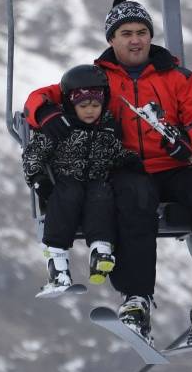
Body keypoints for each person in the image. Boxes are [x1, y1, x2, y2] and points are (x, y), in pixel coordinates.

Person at [25, 0, 192, 342]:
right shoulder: (96, 79)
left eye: (142, 32)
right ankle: (136, 296)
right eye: (126, 33)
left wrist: (187, 139)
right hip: (126, 165)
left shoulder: (175, 76)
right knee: (135, 198)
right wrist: (47, 115)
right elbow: (40, 96)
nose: (135, 40)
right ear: (111, 40)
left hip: (174, 164)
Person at [21, 64, 140, 296]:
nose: (89, 111)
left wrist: (128, 160)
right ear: (71, 105)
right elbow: (34, 154)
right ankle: (58, 262)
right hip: (66, 179)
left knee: (102, 196)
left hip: (96, 179)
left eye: (95, 105)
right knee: (68, 197)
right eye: (83, 106)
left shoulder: (106, 128)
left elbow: (114, 151)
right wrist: (38, 178)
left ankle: (101, 249)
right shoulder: (59, 127)